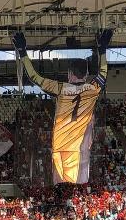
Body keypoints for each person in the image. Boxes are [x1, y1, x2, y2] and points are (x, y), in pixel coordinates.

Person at [13, 29, 113, 184]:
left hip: (59, 146)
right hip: (77, 149)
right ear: (86, 75)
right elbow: (103, 73)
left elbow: (34, 77)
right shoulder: (93, 89)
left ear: (69, 74)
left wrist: (23, 52)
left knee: (60, 186)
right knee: (74, 186)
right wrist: (102, 50)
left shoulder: (59, 88)